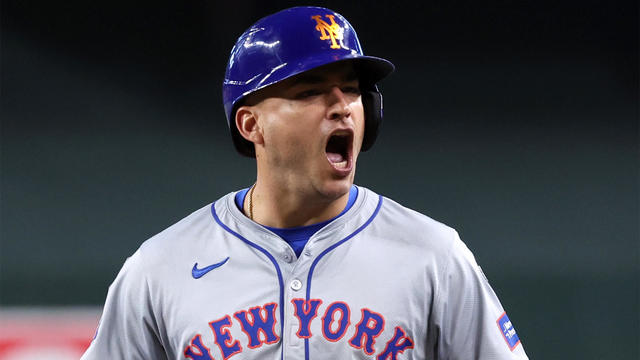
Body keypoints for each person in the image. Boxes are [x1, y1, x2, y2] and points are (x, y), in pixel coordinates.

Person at [82, 6, 529, 360]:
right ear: (250, 124)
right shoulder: (162, 267)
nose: (341, 107)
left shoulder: (434, 256)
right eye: (310, 91)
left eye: (351, 90)